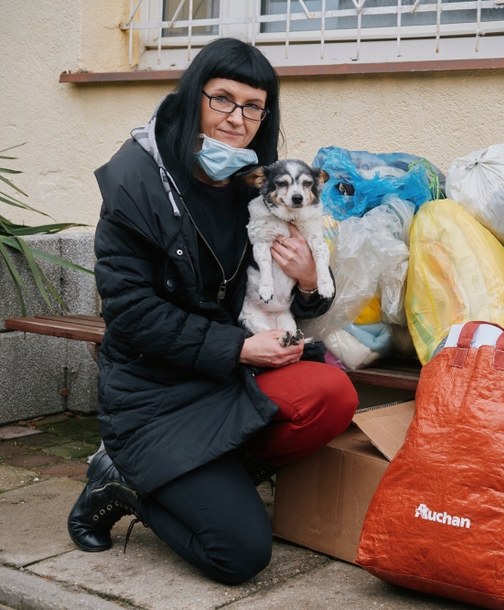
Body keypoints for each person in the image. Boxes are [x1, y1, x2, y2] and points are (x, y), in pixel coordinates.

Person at [66, 37, 359, 585]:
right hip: (156, 393)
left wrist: (311, 280)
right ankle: (122, 480)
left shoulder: (256, 185)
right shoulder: (137, 183)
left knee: (332, 394)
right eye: (222, 99)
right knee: (240, 555)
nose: (236, 118)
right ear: (193, 97)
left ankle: (216, 473)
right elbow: (130, 313)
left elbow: (290, 293)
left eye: (253, 106)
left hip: (227, 379)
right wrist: (239, 347)